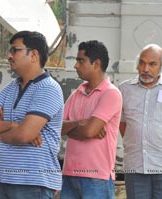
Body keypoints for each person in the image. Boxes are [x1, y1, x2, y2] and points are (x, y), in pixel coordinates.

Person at [0, 31, 64, 199]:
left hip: (33, 181)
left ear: (34, 55)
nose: (9, 55)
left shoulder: (48, 88)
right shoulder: (10, 88)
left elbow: (25, 135)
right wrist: (14, 125)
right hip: (3, 179)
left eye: (15, 50)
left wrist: (1, 129)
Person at [119, 44, 162, 199]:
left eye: (152, 64)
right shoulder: (124, 89)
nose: (145, 69)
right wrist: (138, 139)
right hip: (135, 165)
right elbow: (122, 124)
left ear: (161, 67)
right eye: (142, 63)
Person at [60, 40, 122, 199]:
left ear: (96, 64)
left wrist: (75, 128)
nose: (76, 65)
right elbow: (56, 128)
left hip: (96, 176)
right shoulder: (77, 93)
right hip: (69, 173)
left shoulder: (110, 93)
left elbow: (89, 131)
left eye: (81, 60)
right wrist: (81, 122)